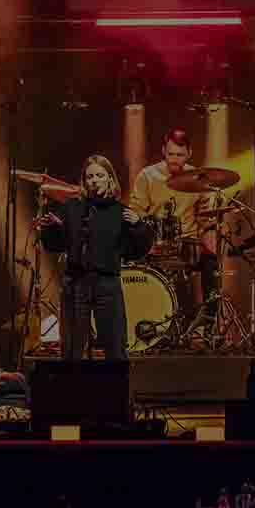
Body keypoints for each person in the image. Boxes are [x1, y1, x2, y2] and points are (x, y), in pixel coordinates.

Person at [38, 155, 153, 361]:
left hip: (107, 284)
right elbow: (53, 245)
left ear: (110, 178)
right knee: (72, 350)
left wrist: (138, 226)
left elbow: (137, 251)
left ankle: (115, 391)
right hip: (76, 283)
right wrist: (52, 229)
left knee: (115, 349)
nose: (94, 180)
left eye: (99, 175)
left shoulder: (120, 212)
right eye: (90, 176)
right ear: (84, 181)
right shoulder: (72, 208)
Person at [128, 129, 221, 316]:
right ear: (163, 151)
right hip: (155, 245)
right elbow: (135, 211)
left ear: (189, 154)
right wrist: (145, 237)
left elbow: (205, 216)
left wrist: (209, 229)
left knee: (211, 263)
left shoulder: (198, 178)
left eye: (180, 155)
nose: (174, 159)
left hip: (188, 244)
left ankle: (209, 322)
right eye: (171, 154)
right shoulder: (147, 176)